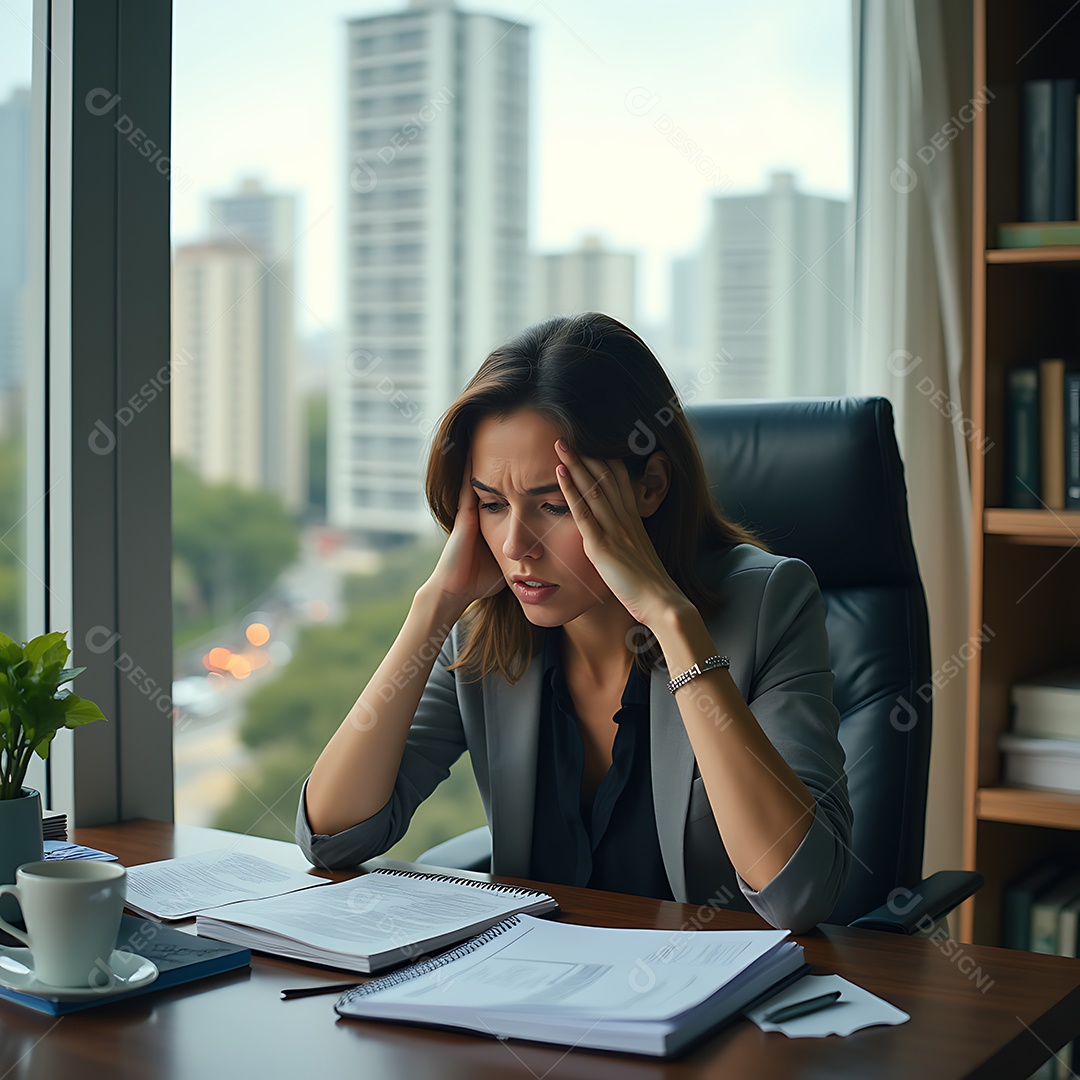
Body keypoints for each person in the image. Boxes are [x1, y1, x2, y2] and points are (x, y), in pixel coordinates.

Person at [297, 312, 852, 934]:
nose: (516, 546)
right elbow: (332, 836)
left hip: (710, 981)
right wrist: (433, 608)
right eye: (491, 504)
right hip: (531, 981)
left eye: (554, 505)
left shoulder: (769, 604)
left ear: (649, 487)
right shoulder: (487, 630)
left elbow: (798, 895)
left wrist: (672, 622)